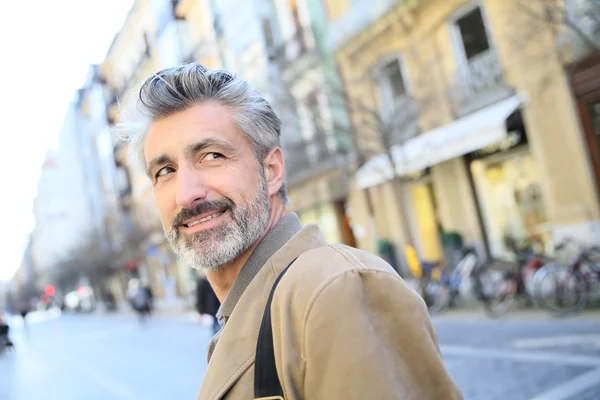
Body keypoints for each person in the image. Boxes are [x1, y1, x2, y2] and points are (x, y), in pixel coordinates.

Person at [120, 62, 462, 399]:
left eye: (212, 155)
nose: (186, 193)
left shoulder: (335, 290)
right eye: (165, 171)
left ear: (271, 170)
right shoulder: (254, 306)